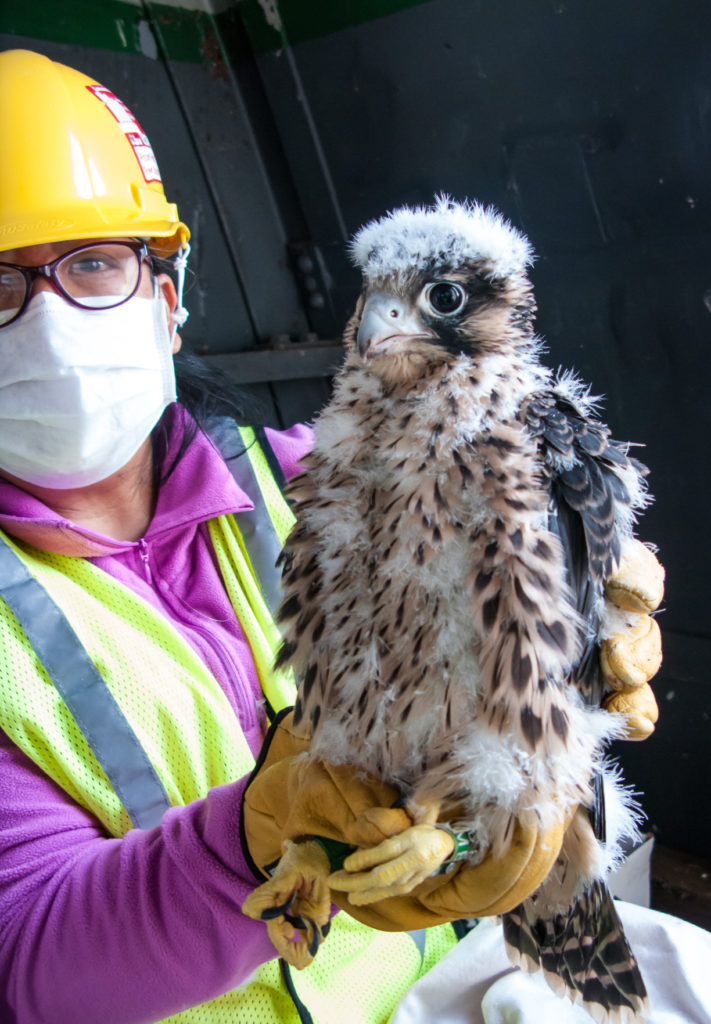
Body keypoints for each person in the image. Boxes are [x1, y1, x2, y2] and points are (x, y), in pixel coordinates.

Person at [0, 49, 662, 1024]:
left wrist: (592, 591)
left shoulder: (317, 467)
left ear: (170, 294)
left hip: (454, 987)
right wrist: (259, 837)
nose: (52, 325)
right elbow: (27, 963)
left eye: (95, 263)